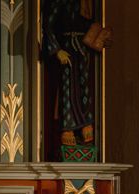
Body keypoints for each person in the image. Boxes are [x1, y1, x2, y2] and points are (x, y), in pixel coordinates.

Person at [43, 0, 101, 149]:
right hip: (67, 47)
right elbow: (47, 25)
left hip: (84, 48)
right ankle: (68, 127)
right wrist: (57, 50)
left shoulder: (87, 3)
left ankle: (86, 123)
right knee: (67, 86)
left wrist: (101, 36)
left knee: (85, 84)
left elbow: (94, 23)